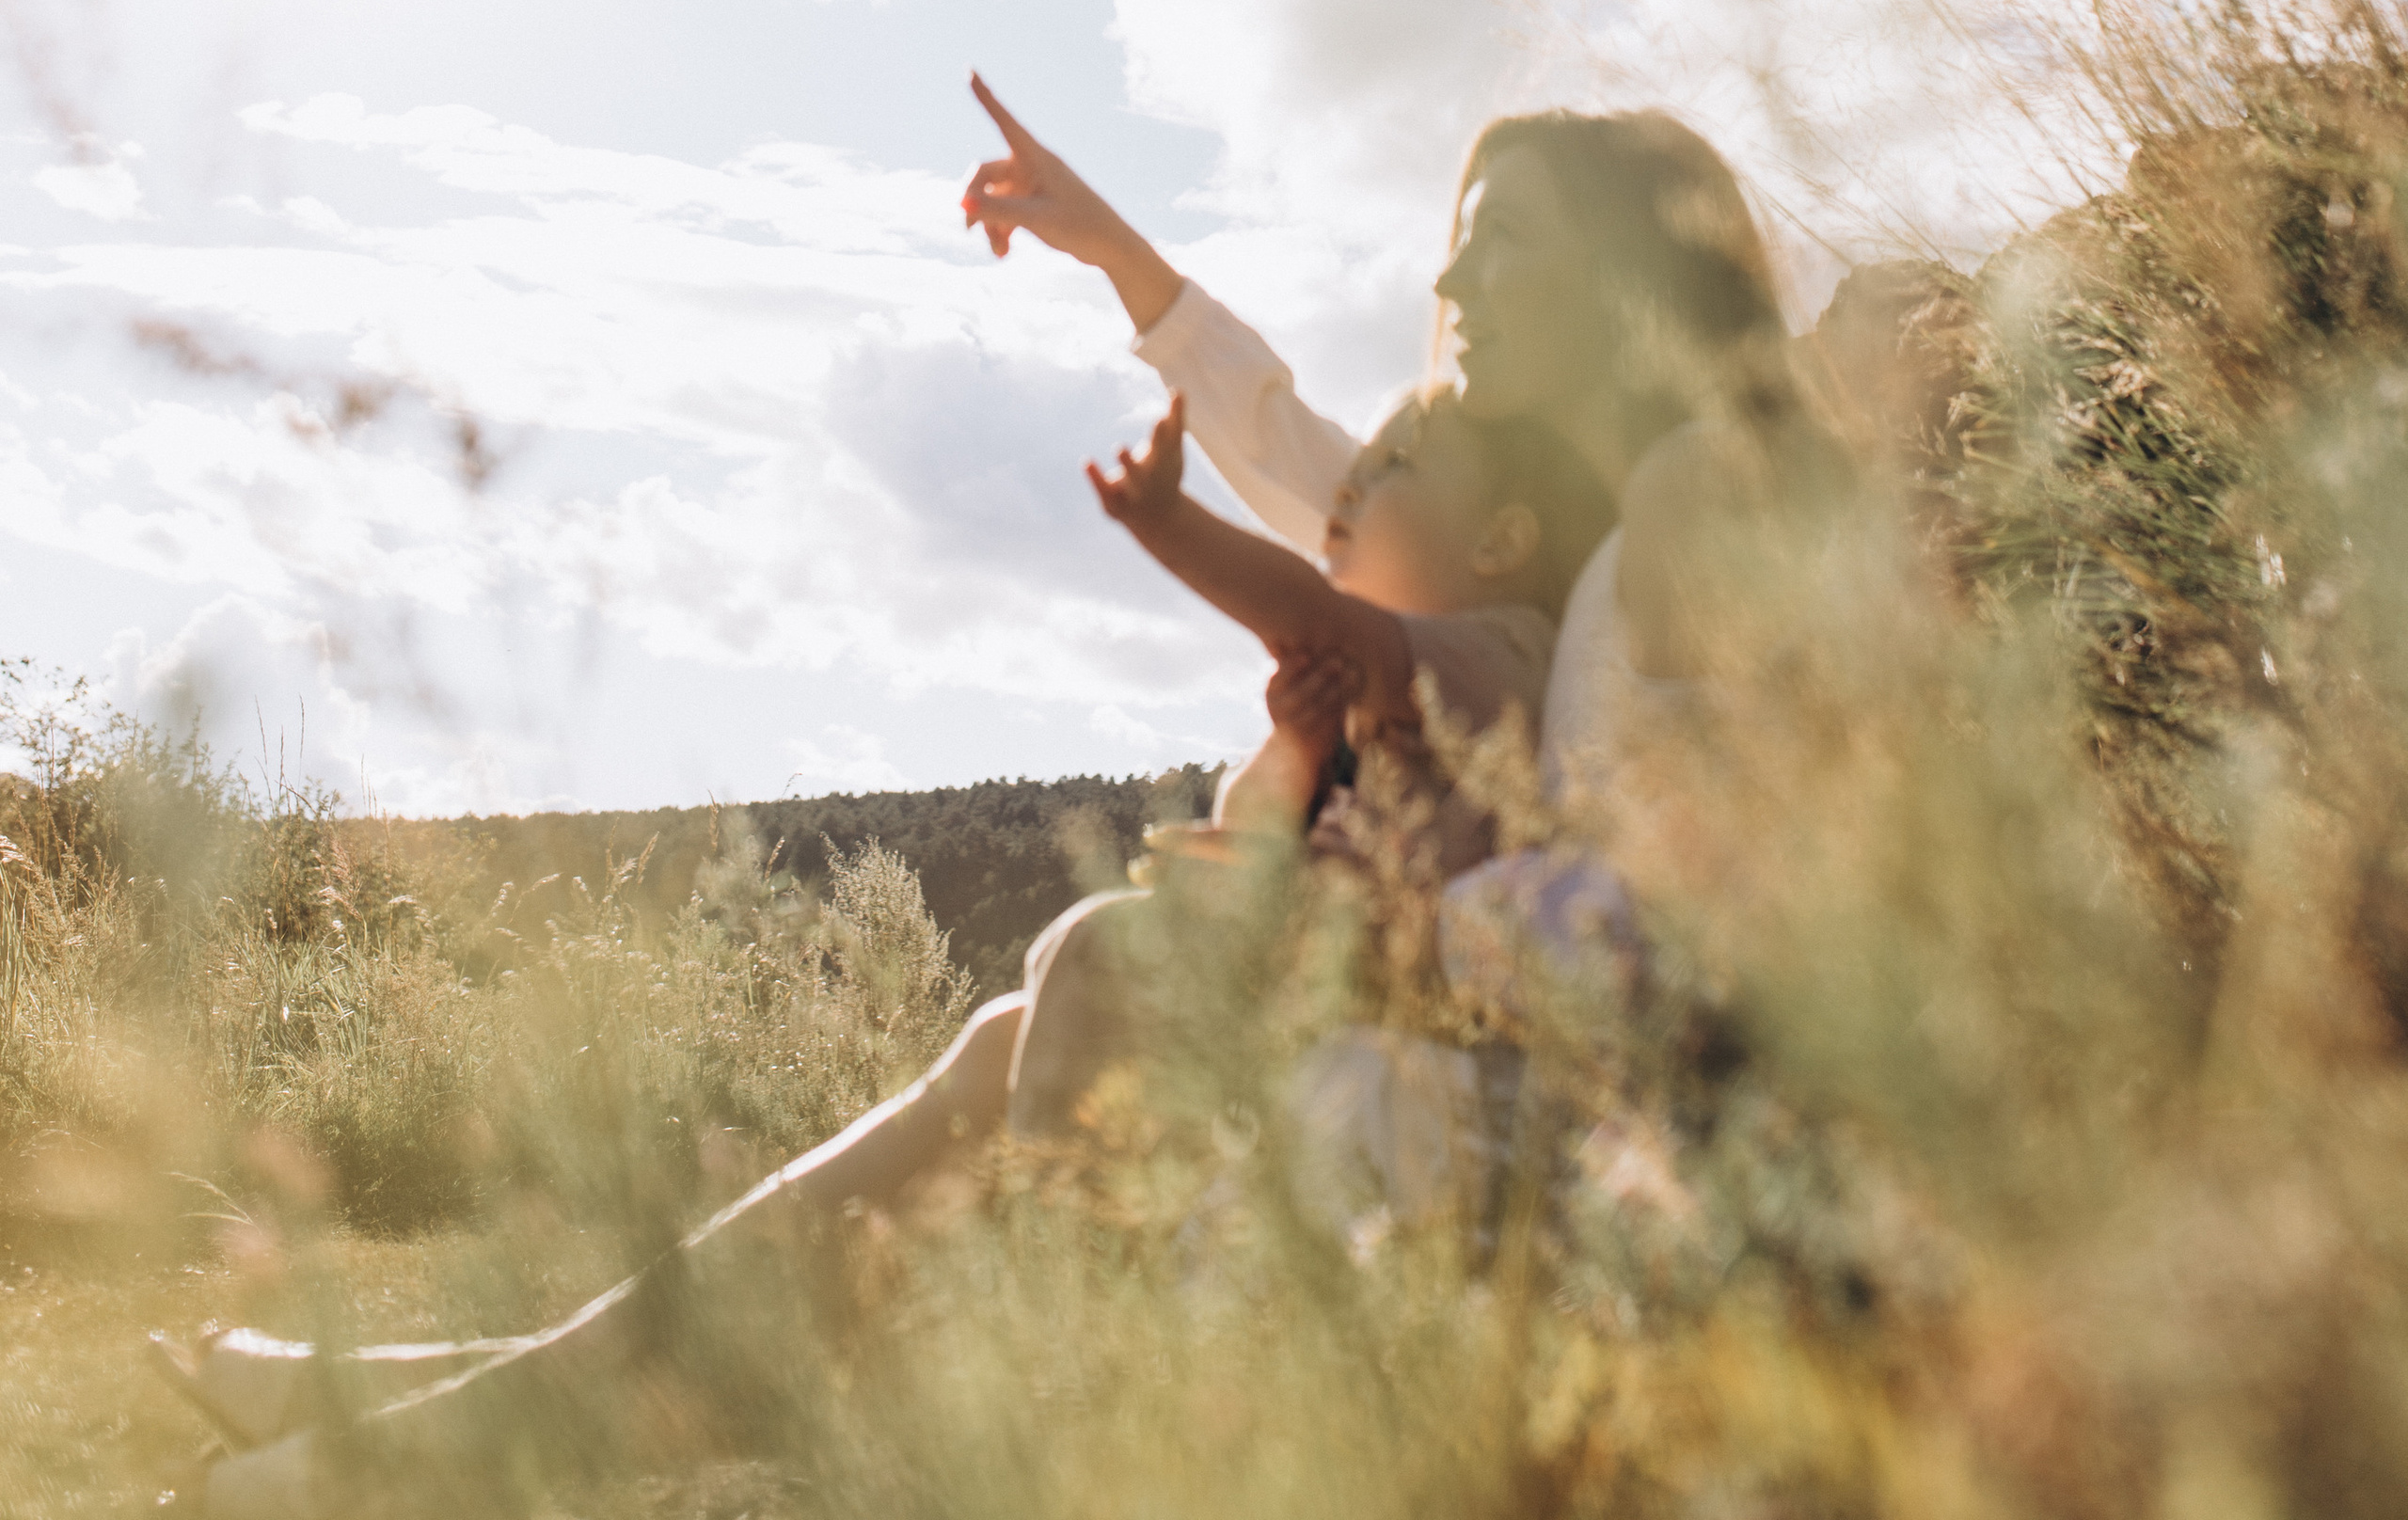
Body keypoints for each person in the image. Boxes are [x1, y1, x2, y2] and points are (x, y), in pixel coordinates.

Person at [163, 76, 1838, 1512]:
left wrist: (1385, 926)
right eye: (1461, 225)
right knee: (999, 1040)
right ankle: (411, 1406)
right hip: (1449, 994)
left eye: (1510, 233)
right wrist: (1120, 256)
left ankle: (445, 1431)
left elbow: (1726, 864)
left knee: (1090, 968)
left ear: (1624, 273)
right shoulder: (1503, 482)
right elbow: (1301, 466)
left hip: (1536, 1065)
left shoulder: (1677, 505)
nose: (1453, 266)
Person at [1090, 380, 1608, 860]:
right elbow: (1243, 818)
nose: (1346, 488)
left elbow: (1316, 618)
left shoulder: (1509, 647)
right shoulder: (1354, 690)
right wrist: (1298, 745)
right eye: (1356, 468)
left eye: (1391, 465)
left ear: (1499, 542)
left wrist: (1170, 525)